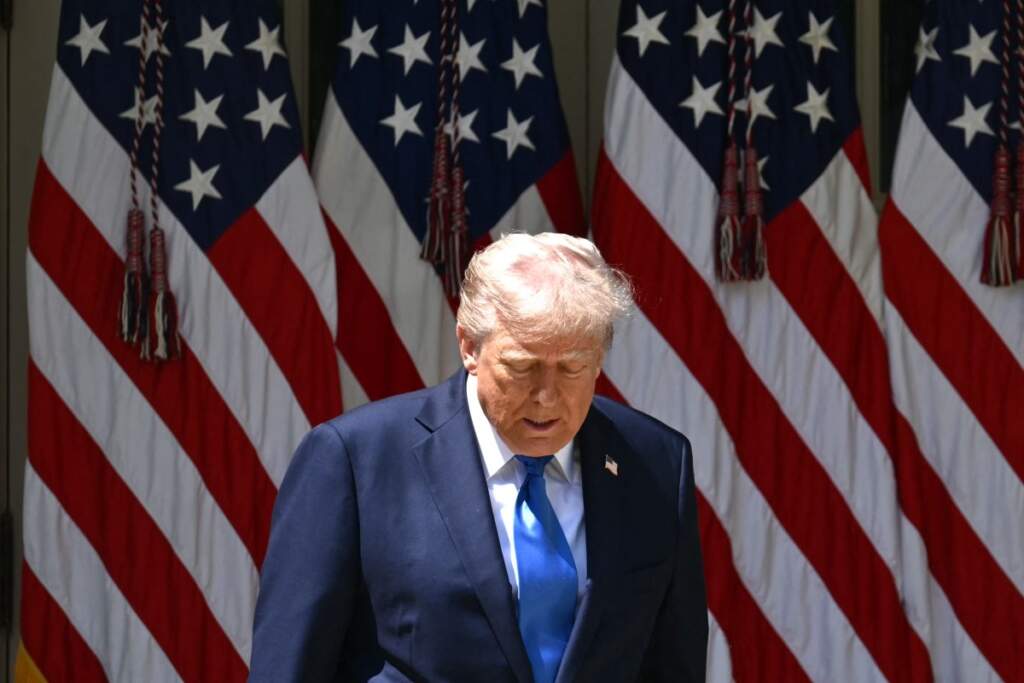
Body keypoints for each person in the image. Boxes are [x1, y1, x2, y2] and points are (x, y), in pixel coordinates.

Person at [248, 233, 708, 682]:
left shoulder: (658, 463)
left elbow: (673, 664)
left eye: (573, 367)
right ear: (470, 346)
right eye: (522, 367)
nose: (547, 397)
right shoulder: (353, 461)